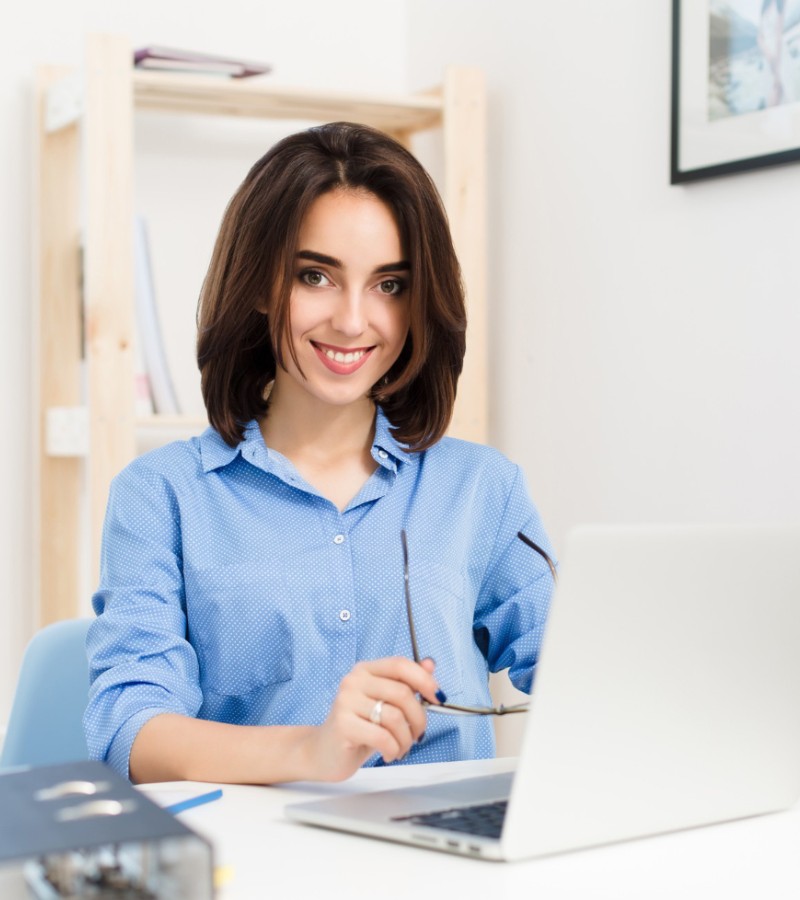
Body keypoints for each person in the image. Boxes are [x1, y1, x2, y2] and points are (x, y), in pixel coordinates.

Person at [84, 122, 556, 785]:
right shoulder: (161, 495)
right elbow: (129, 730)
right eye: (316, 276)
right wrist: (312, 752)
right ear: (258, 283)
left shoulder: (483, 488)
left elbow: (584, 677)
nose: (353, 321)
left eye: (390, 285)